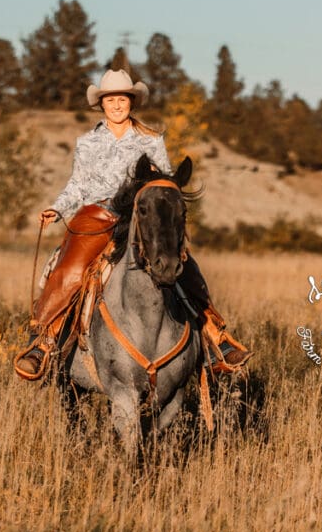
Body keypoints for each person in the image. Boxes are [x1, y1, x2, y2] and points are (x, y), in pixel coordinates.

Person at [13, 68, 252, 380]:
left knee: (182, 264)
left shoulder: (151, 140)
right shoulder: (87, 142)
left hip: (142, 216)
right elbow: (77, 184)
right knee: (70, 268)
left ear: (131, 102)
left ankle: (214, 337)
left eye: (122, 99)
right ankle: (43, 342)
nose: (116, 104)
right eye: (110, 99)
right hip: (96, 215)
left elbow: (165, 182)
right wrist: (57, 209)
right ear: (101, 104)